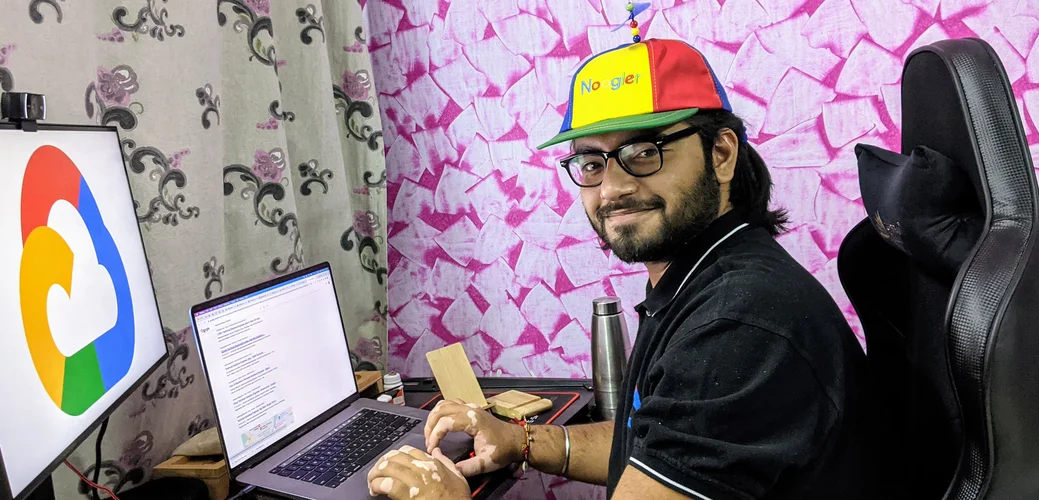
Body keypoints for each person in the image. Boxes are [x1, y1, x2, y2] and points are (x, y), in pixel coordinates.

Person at [367, 37, 872, 500]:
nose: (611, 189)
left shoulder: (737, 323)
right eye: (591, 162)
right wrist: (520, 440)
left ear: (721, 153)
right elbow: (657, 443)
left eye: (643, 152)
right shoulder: (706, 277)